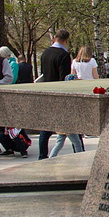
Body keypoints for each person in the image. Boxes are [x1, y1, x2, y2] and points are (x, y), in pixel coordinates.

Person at [37, 30, 73, 159]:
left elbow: (43, 73)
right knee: (72, 129)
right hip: (59, 94)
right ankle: (79, 152)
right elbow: (65, 77)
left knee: (45, 128)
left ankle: (42, 155)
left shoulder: (45, 53)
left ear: (54, 38)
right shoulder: (63, 55)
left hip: (47, 91)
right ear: (66, 40)